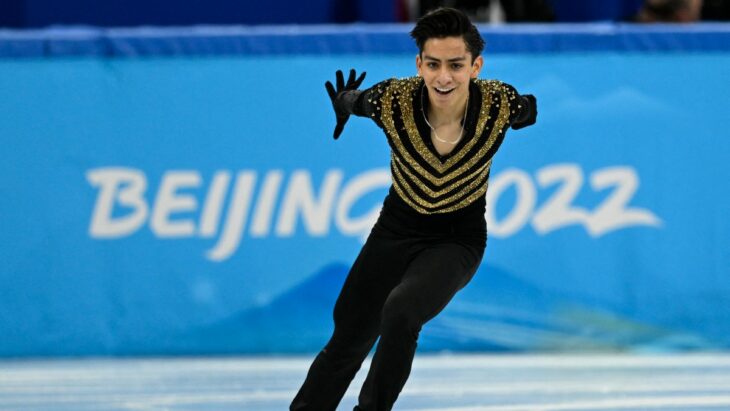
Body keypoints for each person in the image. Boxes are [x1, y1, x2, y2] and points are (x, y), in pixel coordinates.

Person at [290, 7, 537, 411]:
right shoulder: (393, 100)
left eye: (456, 65)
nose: (444, 77)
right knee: (349, 334)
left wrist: (527, 108)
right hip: (396, 230)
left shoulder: (498, 103)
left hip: (458, 239)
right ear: (419, 63)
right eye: (434, 64)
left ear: (476, 66)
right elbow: (355, 101)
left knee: (402, 311)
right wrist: (343, 104)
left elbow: (527, 108)